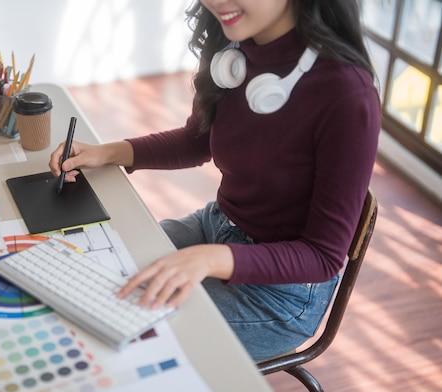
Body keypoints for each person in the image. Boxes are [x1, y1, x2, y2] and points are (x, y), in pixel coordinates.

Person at [49, 0, 380, 361]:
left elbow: (322, 256)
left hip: (280, 294)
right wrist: (106, 153)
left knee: (125, 338)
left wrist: (209, 259)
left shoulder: (347, 95)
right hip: (217, 227)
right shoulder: (232, 52)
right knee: (86, 276)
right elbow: (198, 139)